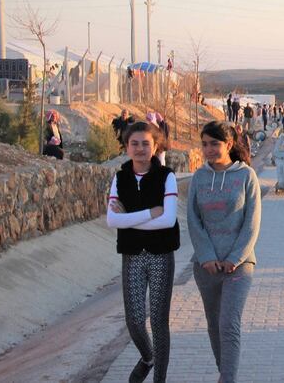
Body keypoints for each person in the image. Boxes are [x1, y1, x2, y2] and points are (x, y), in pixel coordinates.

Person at [106, 122, 180, 383]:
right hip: (132, 255)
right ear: (126, 147)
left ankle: (159, 378)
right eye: (134, 143)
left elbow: (168, 219)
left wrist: (129, 218)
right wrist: (150, 213)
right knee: (135, 320)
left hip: (160, 255)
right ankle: (148, 357)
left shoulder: (166, 177)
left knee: (159, 322)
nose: (140, 149)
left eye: (145, 143)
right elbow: (112, 221)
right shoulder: (120, 177)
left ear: (155, 146)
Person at [188, 121, 260, 383]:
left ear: (229, 144)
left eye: (214, 144)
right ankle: (225, 372)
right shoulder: (199, 176)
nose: (208, 149)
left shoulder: (246, 176)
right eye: (204, 144)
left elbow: (252, 224)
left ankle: (227, 379)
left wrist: (234, 259)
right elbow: (193, 220)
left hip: (239, 267)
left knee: (229, 324)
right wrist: (206, 257)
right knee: (214, 325)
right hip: (206, 267)